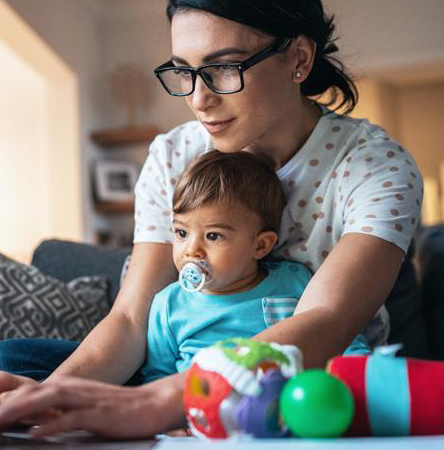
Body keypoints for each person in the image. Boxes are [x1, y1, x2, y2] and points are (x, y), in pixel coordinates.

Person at [0, 0, 423, 441]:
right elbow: (132, 318)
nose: (199, 98)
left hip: (313, 375)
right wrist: (54, 396)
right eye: (185, 71)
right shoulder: (173, 153)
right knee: (9, 368)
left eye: (225, 68)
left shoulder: (374, 164)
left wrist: (159, 402)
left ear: (298, 58)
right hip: (177, 361)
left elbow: (325, 321)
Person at [142, 150, 369, 385]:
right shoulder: (168, 306)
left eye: (213, 236)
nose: (192, 250)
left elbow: (343, 340)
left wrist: (359, 376)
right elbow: (156, 377)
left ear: (260, 246)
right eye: (181, 233)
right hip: (205, 413)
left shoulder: (294, 282)